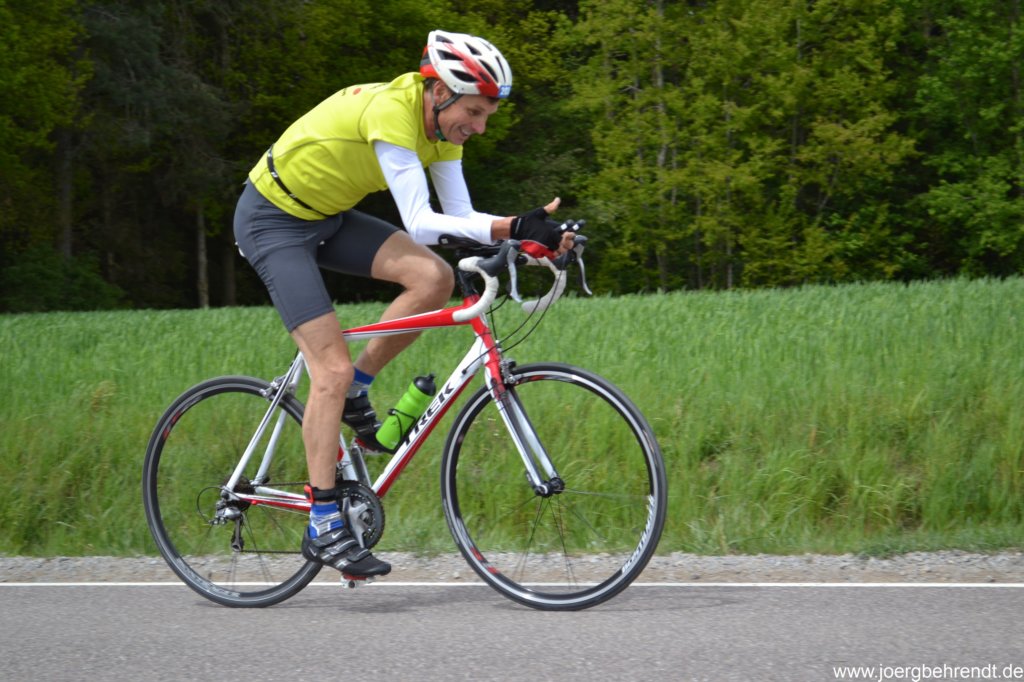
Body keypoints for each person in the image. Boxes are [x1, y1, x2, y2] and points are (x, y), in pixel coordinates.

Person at [233, 29, 575, 579]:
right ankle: (323, 521)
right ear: (439, 92)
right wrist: (513, 225)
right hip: (271, 220)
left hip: (327, 217)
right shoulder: (394, 110)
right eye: (474, 112)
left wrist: (531, 239)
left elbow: (458, 219)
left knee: (432, 278)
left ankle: (358, 390)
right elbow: (419, 221)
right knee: (329, 371)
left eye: (487, 115)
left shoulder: (443, 130)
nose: (480, 127)